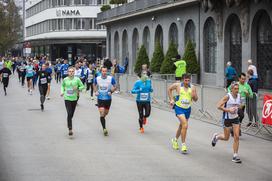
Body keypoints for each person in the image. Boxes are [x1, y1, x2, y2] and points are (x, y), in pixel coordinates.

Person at [211, 82, 242, 163]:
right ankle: (216, 137)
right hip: (227, 118)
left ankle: (235, 156)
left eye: (238, 88)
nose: (237, 90)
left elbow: (239, 105)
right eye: (235, 89)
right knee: (226, 137)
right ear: (231, 89)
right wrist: (228, 110)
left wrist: (238, 109)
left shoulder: (239, 96)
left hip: (235, 118)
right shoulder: (227, 96)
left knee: (237, 136)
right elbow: (218, 106)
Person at [168, 74, 198, 153]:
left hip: (187, 109)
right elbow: (169, 89)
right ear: (182, 80)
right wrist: (171, 99)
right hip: (179, 108)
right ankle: (183, 145)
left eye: (188, 80)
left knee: (182, 126)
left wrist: (194, 96)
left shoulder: (192, 87)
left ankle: (174, 140)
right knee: (185, 124)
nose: (187, 82)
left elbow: (196, 99)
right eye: (185, 80)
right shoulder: (178, 86)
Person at [61, 67, 85, 136]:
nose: (71, 72)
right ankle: (70, 129)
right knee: (69, 113)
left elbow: (82, 86)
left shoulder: (77, 79)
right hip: (67, 98)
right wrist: (62, 92)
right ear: (68, 72)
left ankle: (69, 121)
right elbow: (62, 86)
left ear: (74, 72)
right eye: (69, 71)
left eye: (72, 71)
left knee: (71, 114)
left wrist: (77, 88)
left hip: (74, 99)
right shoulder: (65, 79)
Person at [94, 66, 116, 136]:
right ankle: (104, 128)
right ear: (101, 72)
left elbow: (115, 86)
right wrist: (96, 91)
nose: (104, 72)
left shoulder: (111, 79)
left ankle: (102, 119)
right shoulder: (97, 79)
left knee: (105, 113)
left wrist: (111, 91)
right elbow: (94, 85)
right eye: (103, 71)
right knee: (102, 113)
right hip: (100, 99)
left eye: (105, 71)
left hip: (108, 99)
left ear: (107, 72)